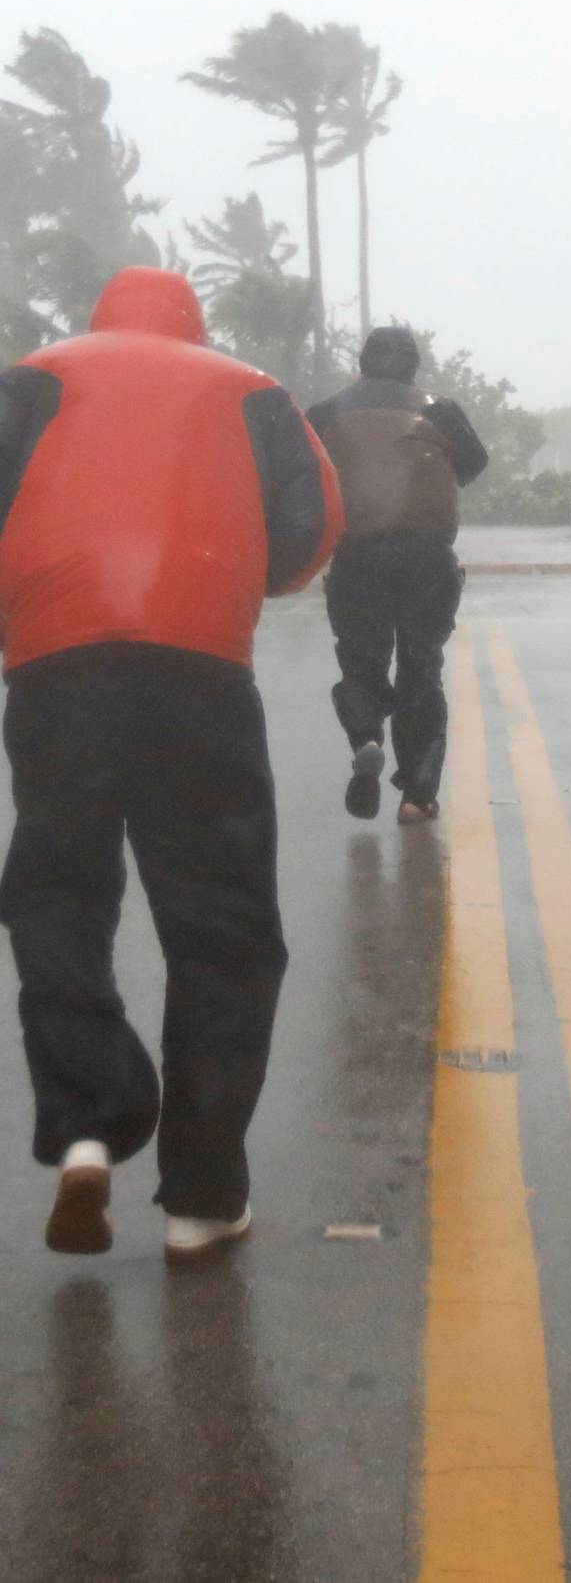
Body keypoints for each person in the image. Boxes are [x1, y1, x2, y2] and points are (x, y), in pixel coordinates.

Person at [0, 267, 342, 1261]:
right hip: (200, 672)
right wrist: (235, 577)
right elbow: (309, 530)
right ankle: (202, 1197)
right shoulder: (250, 387)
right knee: (223, 926)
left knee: (57, 891)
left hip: (57, 667)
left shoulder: (30, 377)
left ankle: (89, 1126)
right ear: (191, 323)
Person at [307, 328, 487, 825]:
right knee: (421, 668)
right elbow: (473, 464)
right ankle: (418, 795)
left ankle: (366, 736)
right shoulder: (440, 409)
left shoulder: (325, 413)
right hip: (425, 559)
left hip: (356, 557)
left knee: (362, 663)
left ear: (362, 366)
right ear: (414, 368)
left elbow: (301, 472)